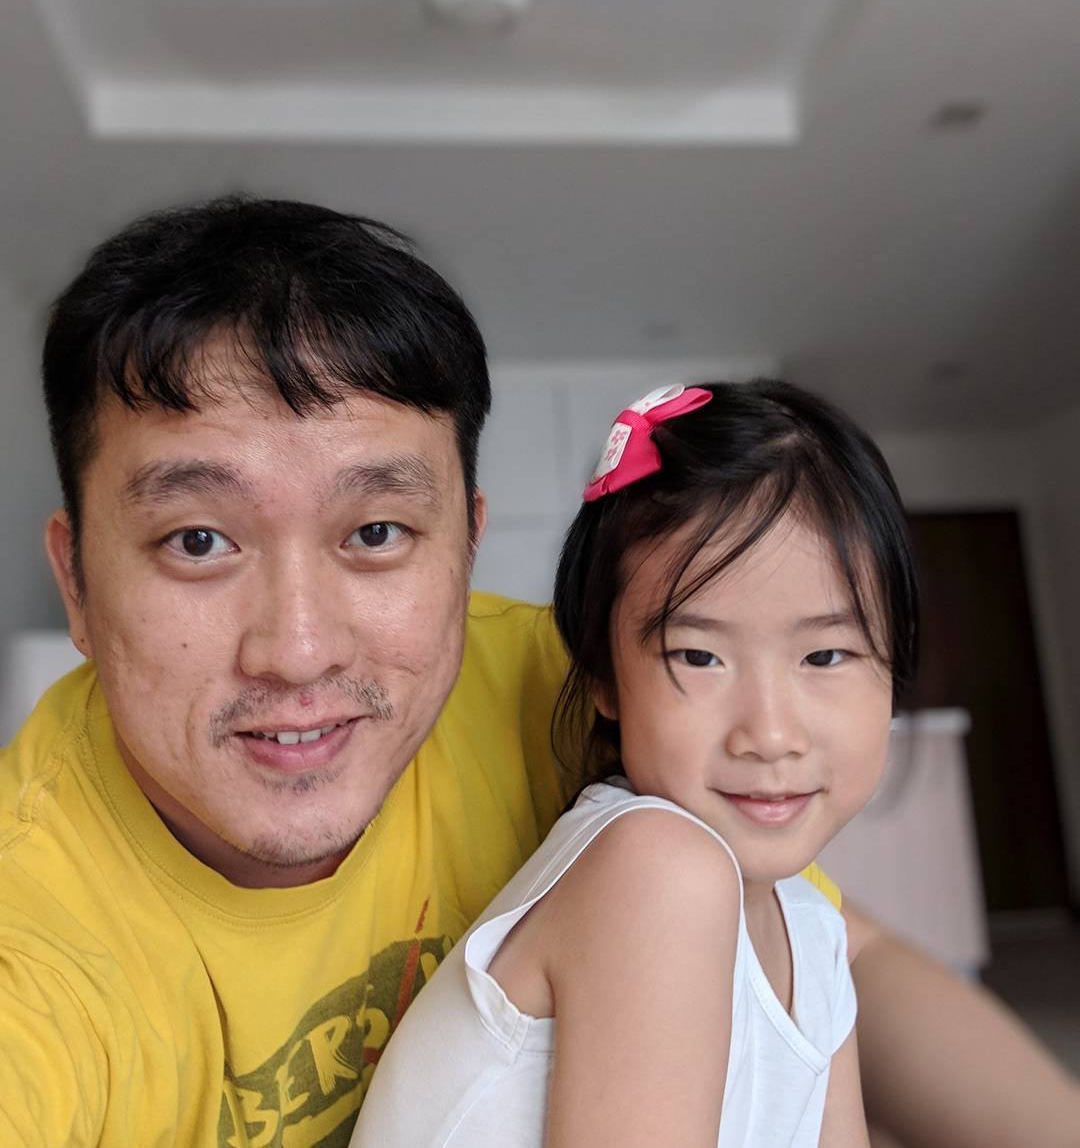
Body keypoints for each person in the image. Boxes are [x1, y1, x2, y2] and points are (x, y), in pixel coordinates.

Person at [0, 197, 1075, 1148]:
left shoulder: (550, 681)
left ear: (467, 544)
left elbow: (830, 950)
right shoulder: (32, 939)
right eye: (197, 541)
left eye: (375, 532)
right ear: (77, 583)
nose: (298, 648)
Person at [354, 379, 912, 1146]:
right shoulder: (656, 870)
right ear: (604, 677)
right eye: (699, 656)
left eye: (824, 655)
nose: (770, 733)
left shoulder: (813, 930)